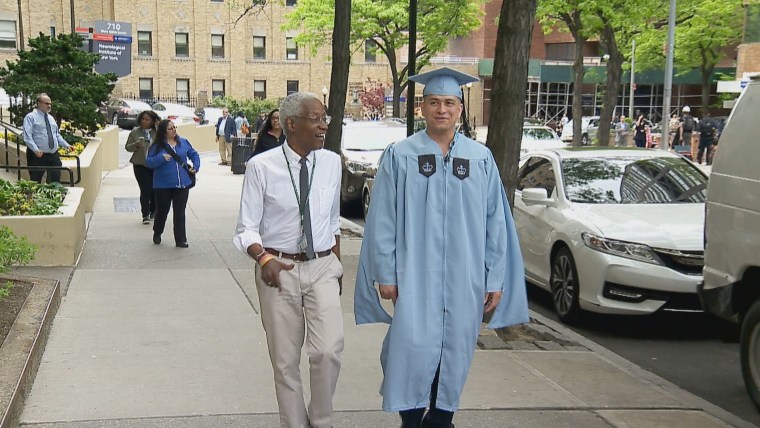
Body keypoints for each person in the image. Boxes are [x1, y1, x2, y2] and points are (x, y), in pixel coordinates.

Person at [354, 67, 529, 428]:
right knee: (411, 350)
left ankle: (441, 420)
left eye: (449, 103)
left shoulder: (480, 158)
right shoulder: (401, 155)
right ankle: (412, 419)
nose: (442, 109)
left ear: (460, 110)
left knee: (455, 352)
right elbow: (383, 218)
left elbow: (496, 223)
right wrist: (385, 272)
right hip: (414, 275)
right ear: (422, 108)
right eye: (434, 102)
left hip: (464, 279)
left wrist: (495, 278)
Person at [233, 92, 343, 428]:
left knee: (328, 350)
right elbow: (245, 229)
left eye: (325, 118)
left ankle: (321, 421)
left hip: (322, 266)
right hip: (278, 270)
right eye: (316, 118)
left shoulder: (332, 162)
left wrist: (337, 268)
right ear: (292, 124)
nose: (324, 125)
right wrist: (263, 258)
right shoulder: (261, 167)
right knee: (285, 361)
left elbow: (333, 220)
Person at [145, 119, 200, 248]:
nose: (174, 130)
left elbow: (194, 154)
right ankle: (157, 231)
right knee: (162, 211)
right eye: (170, 128)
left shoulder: (183, 142)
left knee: (179, 212)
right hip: (162, 185)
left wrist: (195, 167)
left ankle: (181, 239)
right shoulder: (157, 146)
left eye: (174, 127)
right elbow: (149, 162)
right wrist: (161, 158)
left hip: (182, 184)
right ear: (164, 132)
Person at [22, 93, 72, 183]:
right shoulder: (30, 117)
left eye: (50, 104)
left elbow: (56, 135)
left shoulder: (51, 118)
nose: (49, 106)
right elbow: (27, 136)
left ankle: (54, 196)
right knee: (35, 182)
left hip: (53, 155)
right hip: (37, 156)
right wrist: (35, 150)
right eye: (46, 103)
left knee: (55, 180)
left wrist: (66, 145)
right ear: (39, 103)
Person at [125, 110, 161, 224]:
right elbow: (127, 147)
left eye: (147, 119)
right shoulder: (135, 132)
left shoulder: (158, 132)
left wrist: (158, 126)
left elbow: (166, 142)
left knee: (155, 189)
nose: (144, 121)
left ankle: (153, 211)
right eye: (142, 119)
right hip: (140, 164)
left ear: (153, 121)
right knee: (145, 189)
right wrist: (135, 145)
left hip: (155, 164)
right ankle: (145, 214)